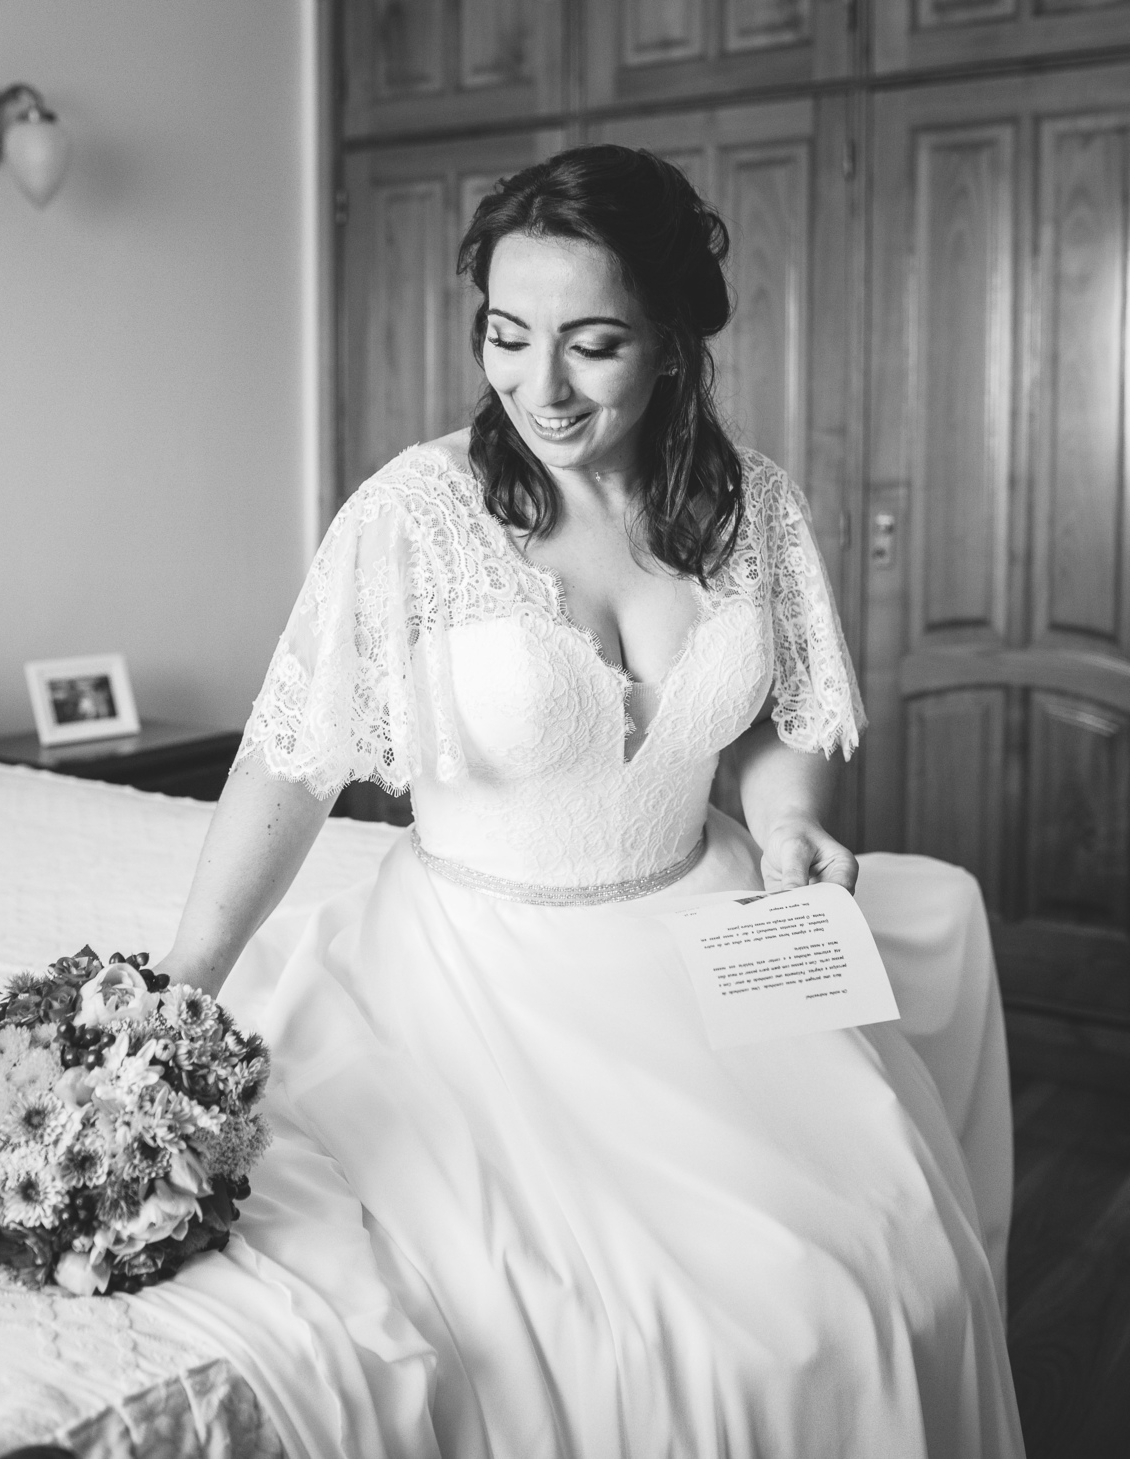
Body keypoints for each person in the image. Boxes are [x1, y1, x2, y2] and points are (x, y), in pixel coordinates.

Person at [148, 146, 1025, 1458]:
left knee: (882, 1267)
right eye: (507, 336)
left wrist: (787, 821)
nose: (540, 387)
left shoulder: (751, 506)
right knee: (641, 1324)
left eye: (593, 344)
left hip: (709, 928)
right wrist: (187, 977)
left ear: (671, 342)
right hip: (484, 971)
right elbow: (293, 755)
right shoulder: (415, 514)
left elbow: (779, 712)